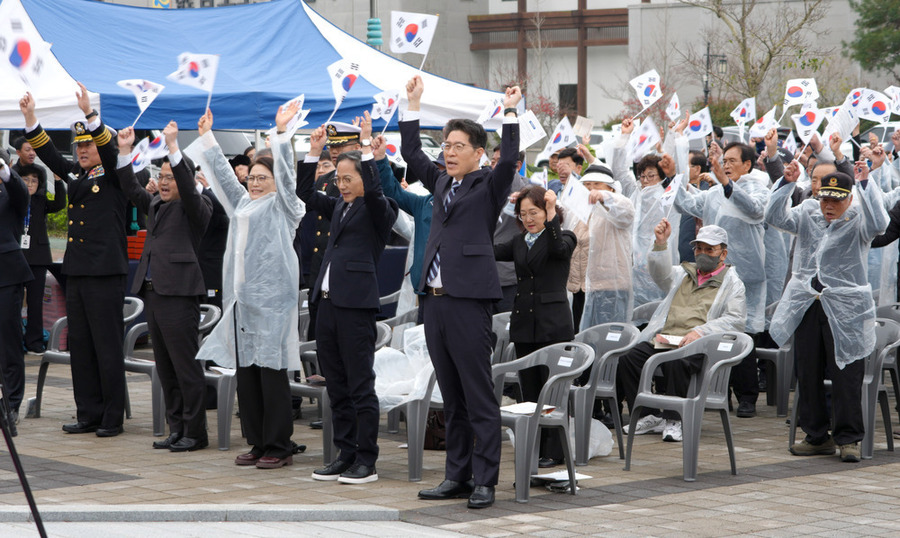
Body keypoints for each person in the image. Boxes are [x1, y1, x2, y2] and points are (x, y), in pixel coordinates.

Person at [400, 76, 522, 509]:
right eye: (446, 146)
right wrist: (413, 104)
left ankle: (485, 479)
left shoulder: (489, 185)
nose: (448, 152)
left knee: (477, 393)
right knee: (450, 395)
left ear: (478, 153)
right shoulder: (440, 183)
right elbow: (411, 153)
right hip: (434, 301)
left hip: (469, 301)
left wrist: (511, 111)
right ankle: (457, 475)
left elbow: (510, 158)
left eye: (457, 146)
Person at [194, 105, 305, 469]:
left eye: (262, 178)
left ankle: (279, 445)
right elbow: (225, 179)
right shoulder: (243, 203)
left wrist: (281, 135)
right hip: (242, 304)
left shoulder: (285, 207)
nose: (255, 183)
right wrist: (208, 137)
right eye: (252, 177)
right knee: (248, 375)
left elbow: (287, 176)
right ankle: (257, 441)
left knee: (271, 375)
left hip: (273, 305)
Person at [766, 140, 888, 463]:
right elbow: (774, 217)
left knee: (846, 372)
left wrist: (866, 182)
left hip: (847, 309)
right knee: (807, 370)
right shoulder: (808, 212)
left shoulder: (859, 219)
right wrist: (786, 184)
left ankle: (849, 438)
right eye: (824, 198)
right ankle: (816, 435)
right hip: (808, 302)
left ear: (849, 198)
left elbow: (881, 224)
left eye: (836, 199)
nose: (828, 205)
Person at [21, 84, 129, 437]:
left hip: (105, 273)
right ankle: (88, 412)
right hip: (79, 271)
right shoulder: (79, 176)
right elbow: (51, 156)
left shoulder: (113, 174)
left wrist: (90, 114)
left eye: (88, 145)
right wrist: (31, 119)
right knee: (80, 345)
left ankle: (111, 417)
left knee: (106, 347)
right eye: (79, 146)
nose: (82, 150)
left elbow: (110, 152)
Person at [300, 114, 398, 484]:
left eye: (347, 179)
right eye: (338, 179)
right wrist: (312, 153)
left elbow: (374, 192)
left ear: (363, 179)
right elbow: (307, 195)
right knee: (337, 385)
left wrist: (367, 148)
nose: (340, 185)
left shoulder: (379, 208)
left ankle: (366, 460)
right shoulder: (340, 206)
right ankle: (345, 453)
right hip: (327, 304)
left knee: (359, 385)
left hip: (355, 307)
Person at [117, 122, 212, 452]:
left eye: (171, 177)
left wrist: (173, 147)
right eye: (162, 177)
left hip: (180, 293)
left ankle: (195, 432)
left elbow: (188, 186)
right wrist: (125, 151)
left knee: (185, 366)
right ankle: (177, 428)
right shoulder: (156, 205)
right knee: (166, 367)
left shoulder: (197, 208)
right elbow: (131, 188)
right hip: (154, 292)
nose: (165, 182)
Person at [616, 222, 746, 442]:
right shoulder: (684, 274)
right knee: (630, 358)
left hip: (699, 344)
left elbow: (735, 320)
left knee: (677, 361)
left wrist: (701, 331)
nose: (702, 254)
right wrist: (661, 244)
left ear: (723, 254)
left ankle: (674, 418)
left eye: (709, 249)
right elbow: (660, 274)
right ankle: (648, 415)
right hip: (669, 338)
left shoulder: (732, 283)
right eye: (699, 248)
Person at [673, 140, 767, 418]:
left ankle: (747, 396)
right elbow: (686, 204)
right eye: (724, 161)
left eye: (732, 161)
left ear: (747, 165)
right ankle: (720, 393)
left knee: (742, 333)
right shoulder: (713, 192)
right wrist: (673, 177)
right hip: (715, 272)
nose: (726, 165)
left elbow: (755, 209)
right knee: (715, 330)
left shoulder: (758, 188)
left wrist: (726, 183)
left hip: (746, 274)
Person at [494, 185, 576, 467]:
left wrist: (552, 212)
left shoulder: (565, 236)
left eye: (535, 212)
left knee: (551, 389)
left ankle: (555, 451)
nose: (528, 219)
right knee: (529, 390)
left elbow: (558, 250)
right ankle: (534, 446)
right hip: (524, 324)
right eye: (523, 213)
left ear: (547, 212)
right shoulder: (519, 241)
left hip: (553, 325)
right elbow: (490, 250)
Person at [17, 163, 66, 354]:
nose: (30, 184)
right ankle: (14, 340)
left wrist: (58, 181)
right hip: (16, 257)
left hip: (38, 257)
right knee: (13, 301)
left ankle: (34, 341)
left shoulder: (41, 200)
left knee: (35, 303)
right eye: (26, 180)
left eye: (34, 180)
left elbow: (59, 204)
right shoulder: (12, 199)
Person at [0, 153, 32, 437]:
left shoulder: (11, 192)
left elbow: (22, 194)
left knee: (9, 341)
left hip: (6, 276)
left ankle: (11, 403)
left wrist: (4, 171)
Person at [580, 168, 635, 328]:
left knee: (610, 335)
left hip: (611, 286)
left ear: (611, 188)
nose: (591, 188)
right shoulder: (582, 210)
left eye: (597, 184)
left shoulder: (616, 206)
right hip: (582, 287)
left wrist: (604, 197)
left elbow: (626, 210)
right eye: (587, 184)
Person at [491, 149, 527, 313]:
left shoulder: (526, 193)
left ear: (517, 166)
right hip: (483, 275)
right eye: (493, 161)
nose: (495, 166)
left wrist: (523, 198)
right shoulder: (484, 188)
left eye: (501, 162)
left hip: (509, 278)